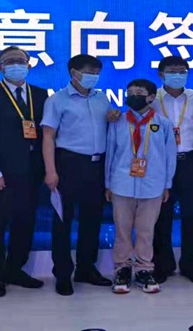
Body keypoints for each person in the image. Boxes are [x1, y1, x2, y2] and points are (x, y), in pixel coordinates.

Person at [41, 54, 120, 296]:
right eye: (89, 72)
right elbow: (48, 137)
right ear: (73, 73)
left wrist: (112, 118)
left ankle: (86, 268)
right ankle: (63, 273)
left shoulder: (101, 98)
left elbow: (108, 126)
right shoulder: (57, 100)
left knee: (92, 220)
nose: (93, 77)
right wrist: (50, 170)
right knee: (63, 222)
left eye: (96, 73)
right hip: (69, 164)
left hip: (97, 165)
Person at [0, 47, 47, 297]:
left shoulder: (40, 94)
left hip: (32, 172)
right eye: (10, 61)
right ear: (0, 67)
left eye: (21, 60)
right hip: (2, 173)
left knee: (25, 223)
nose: (17, 65)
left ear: (29, 65)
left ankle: (15, 269)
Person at [105, 79, 177, 294]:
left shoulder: (163, 124)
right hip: (121, 184)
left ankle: (145, 269)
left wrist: (167, 185)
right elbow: (110, 153)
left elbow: (170, 156)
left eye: (138, 92)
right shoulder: (117, 121)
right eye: (130, 92)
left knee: (146, 231)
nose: (133, 96)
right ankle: (122, 269)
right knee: (122, 230)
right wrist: (108, 184)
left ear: (151, 97)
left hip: (152, 185)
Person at [151, 56, 193, 285]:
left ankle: (190, 265)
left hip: (189, 161)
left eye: (182, 71)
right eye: (172, 71)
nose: (177, 75)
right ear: (161, 74)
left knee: (192, 215)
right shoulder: (151, 98)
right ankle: (162, 264)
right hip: (160, 162)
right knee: (160, 216)